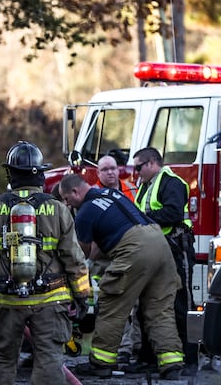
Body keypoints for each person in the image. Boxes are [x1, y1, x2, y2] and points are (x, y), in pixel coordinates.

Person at [0, 141, 90, 385]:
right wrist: (82, 297)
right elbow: (74, 259)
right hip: (50, 300)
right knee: (49, 359)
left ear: (10, 174)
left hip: (5, 300)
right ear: (41, 174)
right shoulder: (57, 209)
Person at [58, 173, 185, 379]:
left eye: (66, 199)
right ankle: (171, 364)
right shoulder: (112, 193)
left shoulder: (85, 212)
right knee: (160, 309)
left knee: (112, 305)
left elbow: (82, 254)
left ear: (75, 191)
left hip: (135, 248)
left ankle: (101, 362)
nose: (66, 204)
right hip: (160, 243)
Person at [132, 147, 198, 375]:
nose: (136, 172)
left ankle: (190, 360)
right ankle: (149, 358)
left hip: (177, 248)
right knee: (147, 302)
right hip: (154, 249)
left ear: (152, 163)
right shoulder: (146, 186)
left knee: (181, 304)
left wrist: (141, 219)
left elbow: (173, 214)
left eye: (139, 167)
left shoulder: (171, 182)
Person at [95, 154, 142, 366]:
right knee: (112, 303)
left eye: (113, 168)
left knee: (136, 303)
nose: (111, 172)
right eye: (105, 169)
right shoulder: (93, 194)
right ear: (98, 173)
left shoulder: (131, 189)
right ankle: (118, 349)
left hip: (132, 253)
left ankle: (133, 347)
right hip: (105, 257)